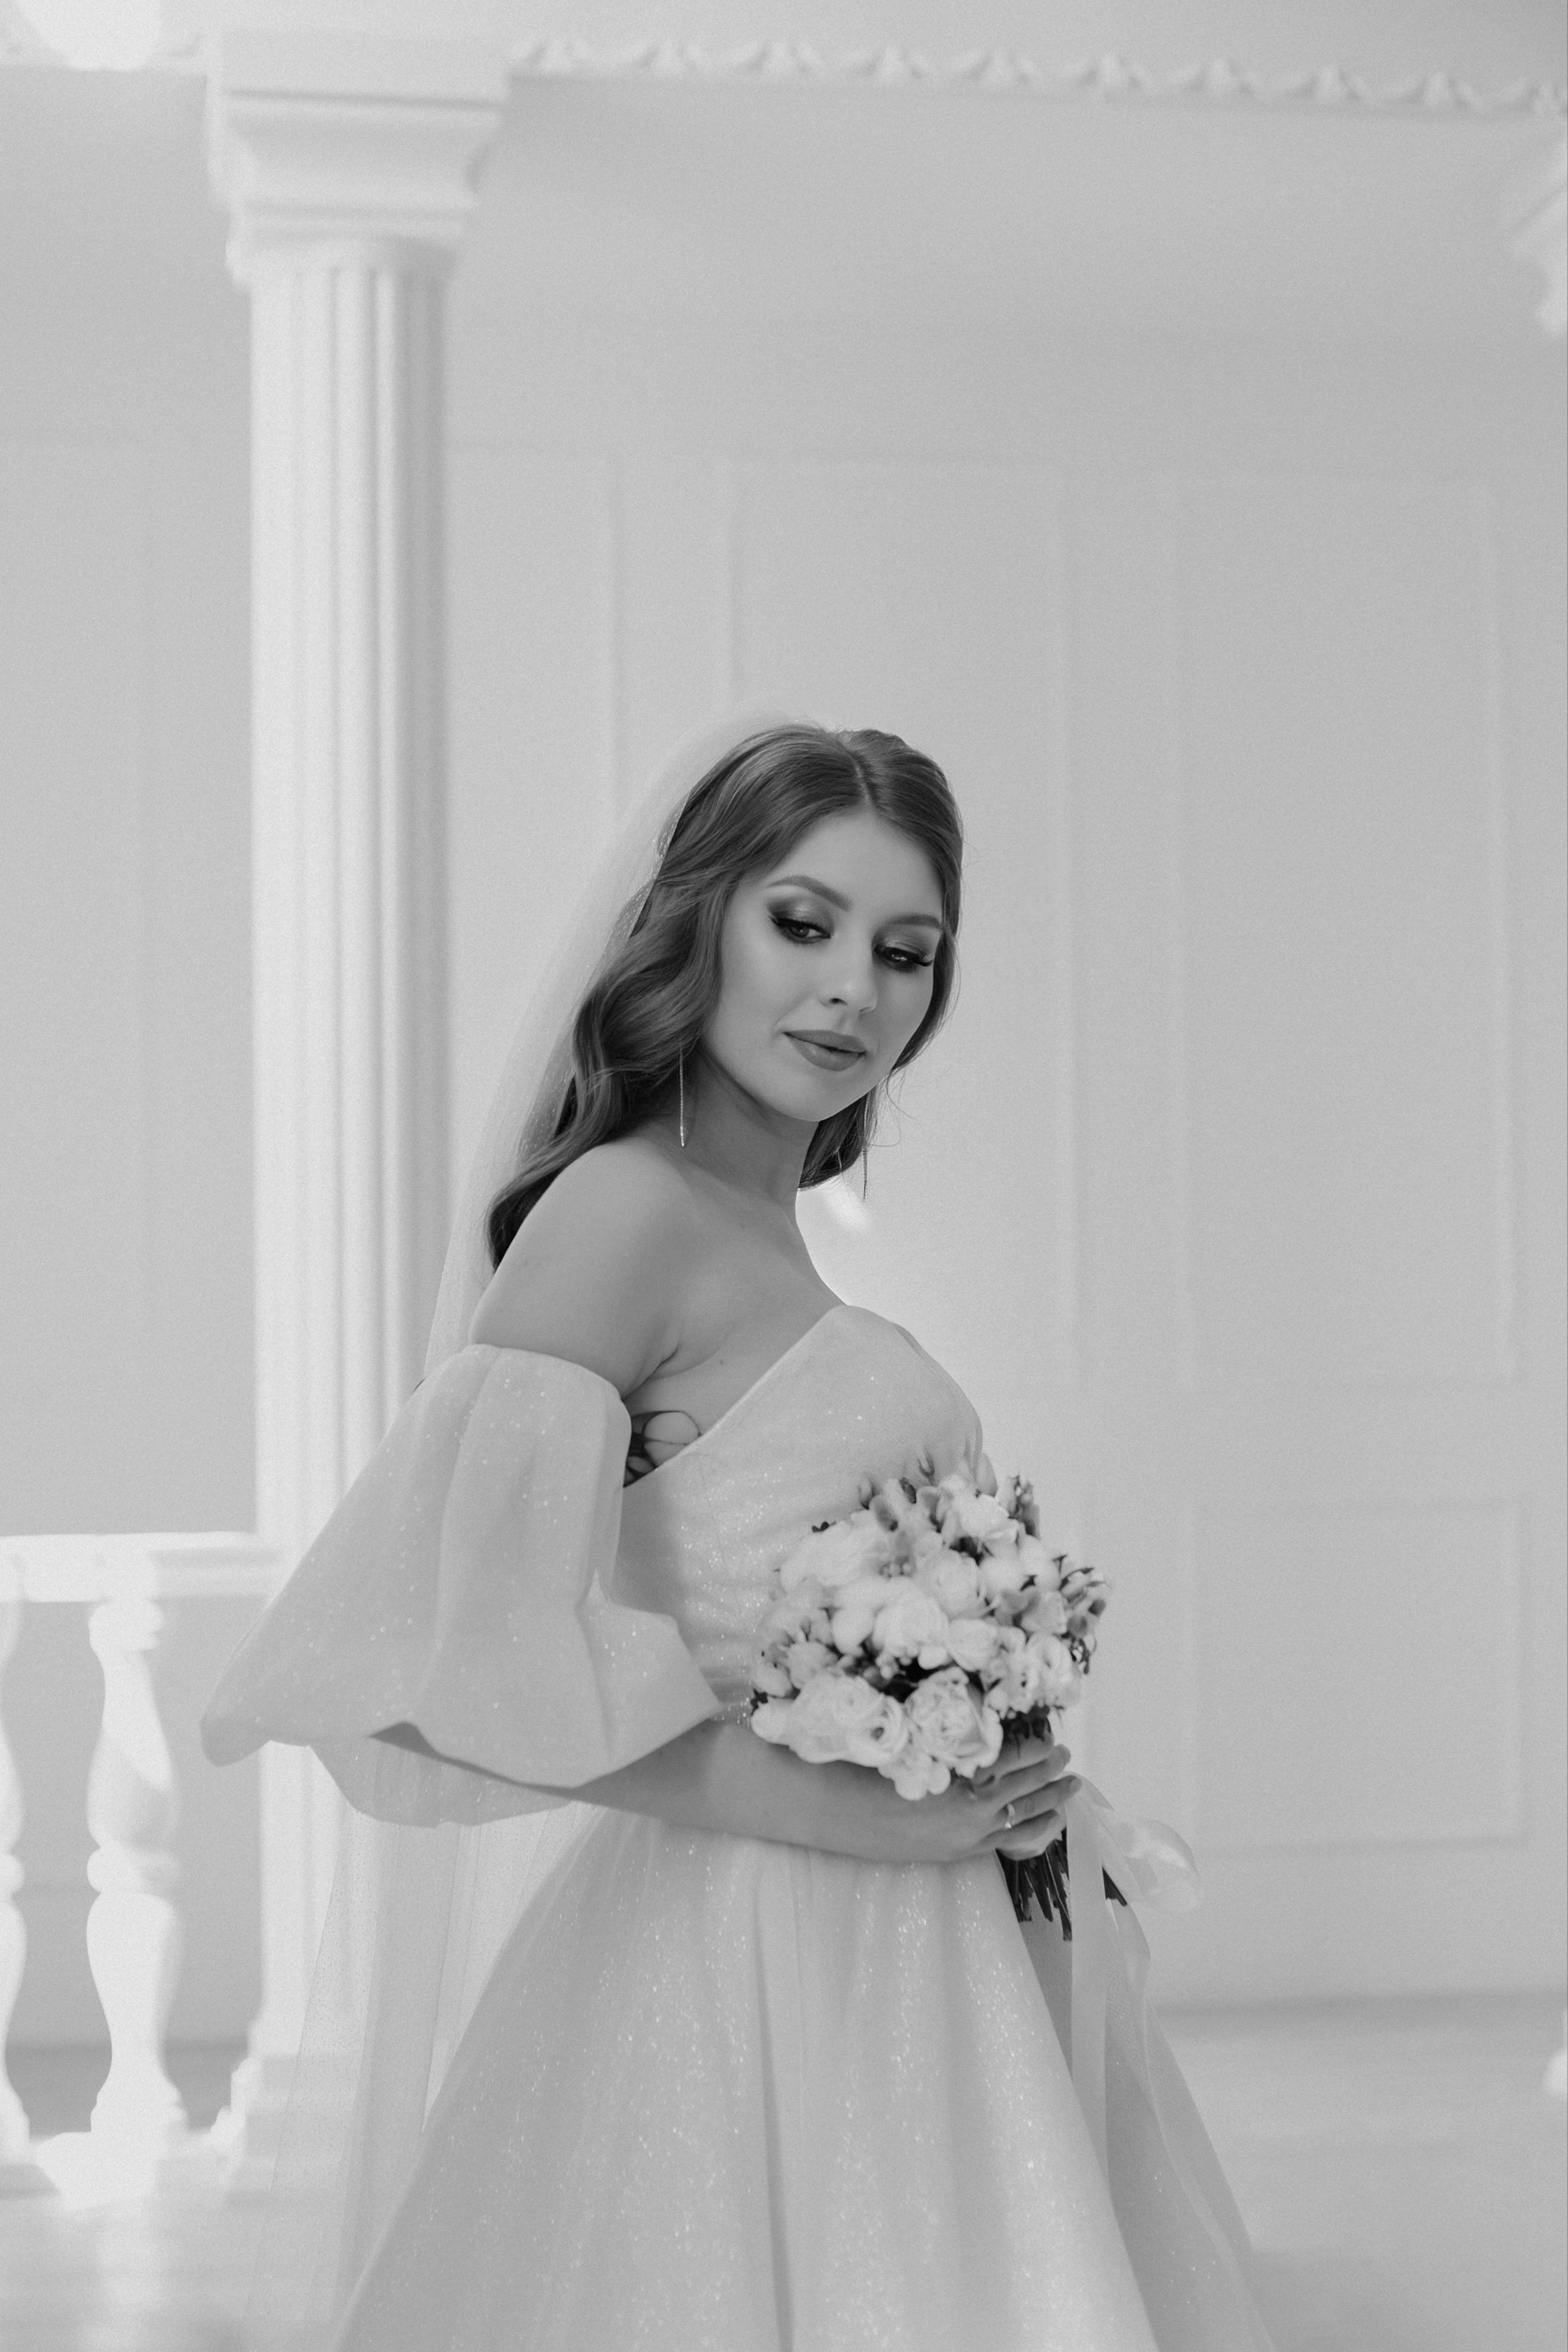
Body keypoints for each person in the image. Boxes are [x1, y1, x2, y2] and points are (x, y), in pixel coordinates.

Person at [203, 716, 1279, 2350]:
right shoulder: (622, 1211)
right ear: (698, 918)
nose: (855, 991)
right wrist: (846, 1812)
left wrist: (1003, 1778)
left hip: (936, 1968)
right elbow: (438, 1668)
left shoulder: (762, 1231)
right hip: (747, 1970)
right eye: (803, 922)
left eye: (904, 951)